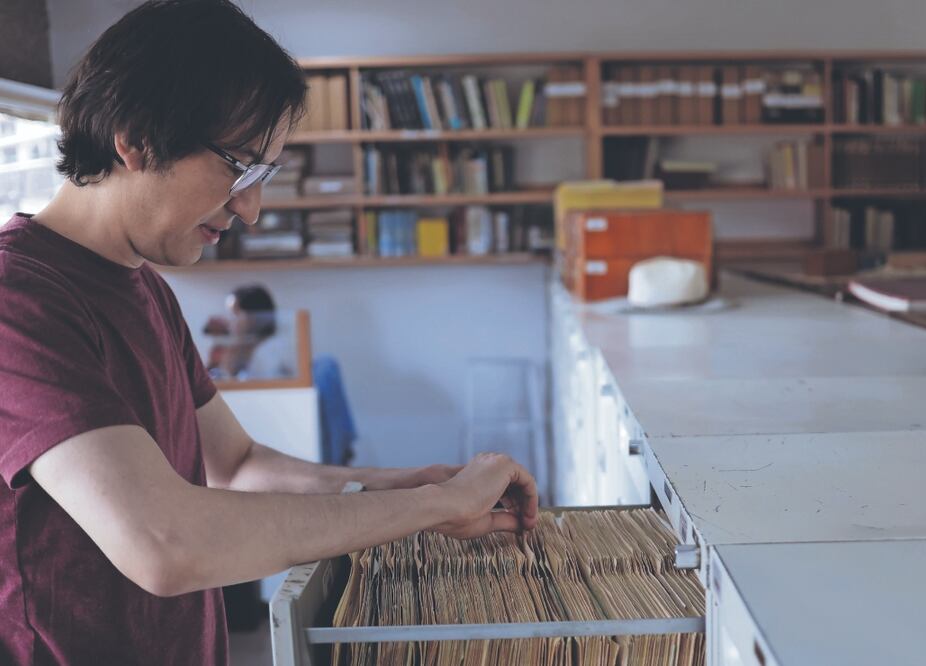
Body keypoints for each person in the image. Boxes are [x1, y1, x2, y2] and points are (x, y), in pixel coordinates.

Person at [0, 2, 538, 665]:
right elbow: (165, 542)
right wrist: (433, 505)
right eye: (237, 166)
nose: (251, 208)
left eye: (264, 175)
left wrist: (396, 487)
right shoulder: (17, 299)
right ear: (135, 138)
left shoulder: (146, 288)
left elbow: (237, 466)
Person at [205, 284, 296, 381]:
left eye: (235, 314)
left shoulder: (269, 351)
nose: (230, 322)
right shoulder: (246, 350)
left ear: (253, 316)